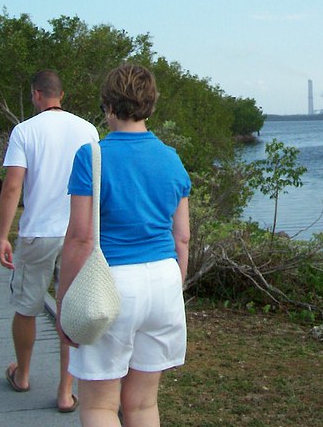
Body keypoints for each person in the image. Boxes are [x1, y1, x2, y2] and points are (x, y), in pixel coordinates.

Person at [57, 63, 191, 427]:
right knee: (143, 405)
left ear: (108, 106)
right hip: (164, 281)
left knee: (100, 406)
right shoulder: (172, 158)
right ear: (150, 104)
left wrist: (64, 302)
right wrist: (175, 283)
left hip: (112, 284)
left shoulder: (92, 156)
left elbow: (81, 237)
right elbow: (182, 236)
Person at [0, 70, 99, 413]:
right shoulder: (88, 130)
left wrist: (2, 236)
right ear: (62, 94)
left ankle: (23, 374)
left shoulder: (24, 131)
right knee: (70, 310)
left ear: (36, 95)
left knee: (26, 306)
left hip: (38, 232)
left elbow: (12, 186)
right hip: (78, 234)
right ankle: (65, 390)